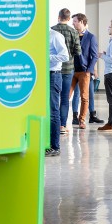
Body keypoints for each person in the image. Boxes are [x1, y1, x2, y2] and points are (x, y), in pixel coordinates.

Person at [69, 13, 103, 129]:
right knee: (67, 95)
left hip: (84, 71)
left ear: (81, 22)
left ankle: (82, 120)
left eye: (75, 21)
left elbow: (94, 56)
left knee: (84, 97)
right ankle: (67, 120)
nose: (73, 23)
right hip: (71, 70)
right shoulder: (73, 35)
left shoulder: (91, 37)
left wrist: (89, 70)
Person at [51, 8, 82, 134]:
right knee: (65, 98)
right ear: (69, 19)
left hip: (53, 68)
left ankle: (52, 124)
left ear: (58, 17)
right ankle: (62, 125)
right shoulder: (73, 31)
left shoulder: (52, 30)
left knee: (53, 98)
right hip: (68, 69)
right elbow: (78, 51)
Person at [45, 28, 70, 157]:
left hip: (53, 75)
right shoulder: (38, 35)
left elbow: (65, 56)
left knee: (53, 111)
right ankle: (46, 144)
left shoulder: (55, 36)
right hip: (42, 75)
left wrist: (46, 56)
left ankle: (55, 147)